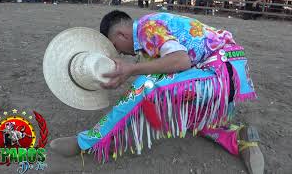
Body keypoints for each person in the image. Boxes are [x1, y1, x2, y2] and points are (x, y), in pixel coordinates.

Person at [49, 11, 264, 174]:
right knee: (183, 118)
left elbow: (180, 61)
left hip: (218, 75)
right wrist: (130, 73)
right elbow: (173, 67)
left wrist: (132, 70)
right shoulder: (153, 28)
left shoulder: (146, 28)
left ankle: (87, 141)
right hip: (230, 75)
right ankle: (238, 137)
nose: (121, 53)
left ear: (121, 34)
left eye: (117, 47)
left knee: (146, 86)